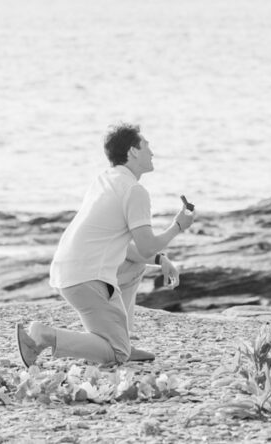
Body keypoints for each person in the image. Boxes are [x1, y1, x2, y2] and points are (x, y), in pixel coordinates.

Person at [16, 124, 195, 366]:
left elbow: (126, 250)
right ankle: (43, 336)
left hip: (68, 271)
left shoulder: (105, 181)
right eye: (147, 146)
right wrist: (178, 226)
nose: (152, 152)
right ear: (133, 151)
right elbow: (145, 246)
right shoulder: (134, 190)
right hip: (87, 278)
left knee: (136, 268)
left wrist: (160, 260)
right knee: (117, 354)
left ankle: (121, 338)